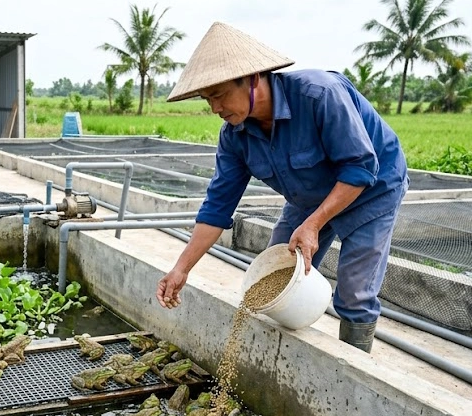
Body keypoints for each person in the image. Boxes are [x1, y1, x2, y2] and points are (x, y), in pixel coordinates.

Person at [155, 22, 409, 353]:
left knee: (355, 291)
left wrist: (314, 224)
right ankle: (281, 361)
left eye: (218, 95)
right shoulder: (235, 136)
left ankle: (354, 369)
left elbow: (360, 167)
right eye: (207, 99)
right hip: (308, 194)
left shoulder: (320, 95)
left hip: (372, 187)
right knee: (274, 274)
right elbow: (217, 207)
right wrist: (180, 269)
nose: (215, 108)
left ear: (252, 78)